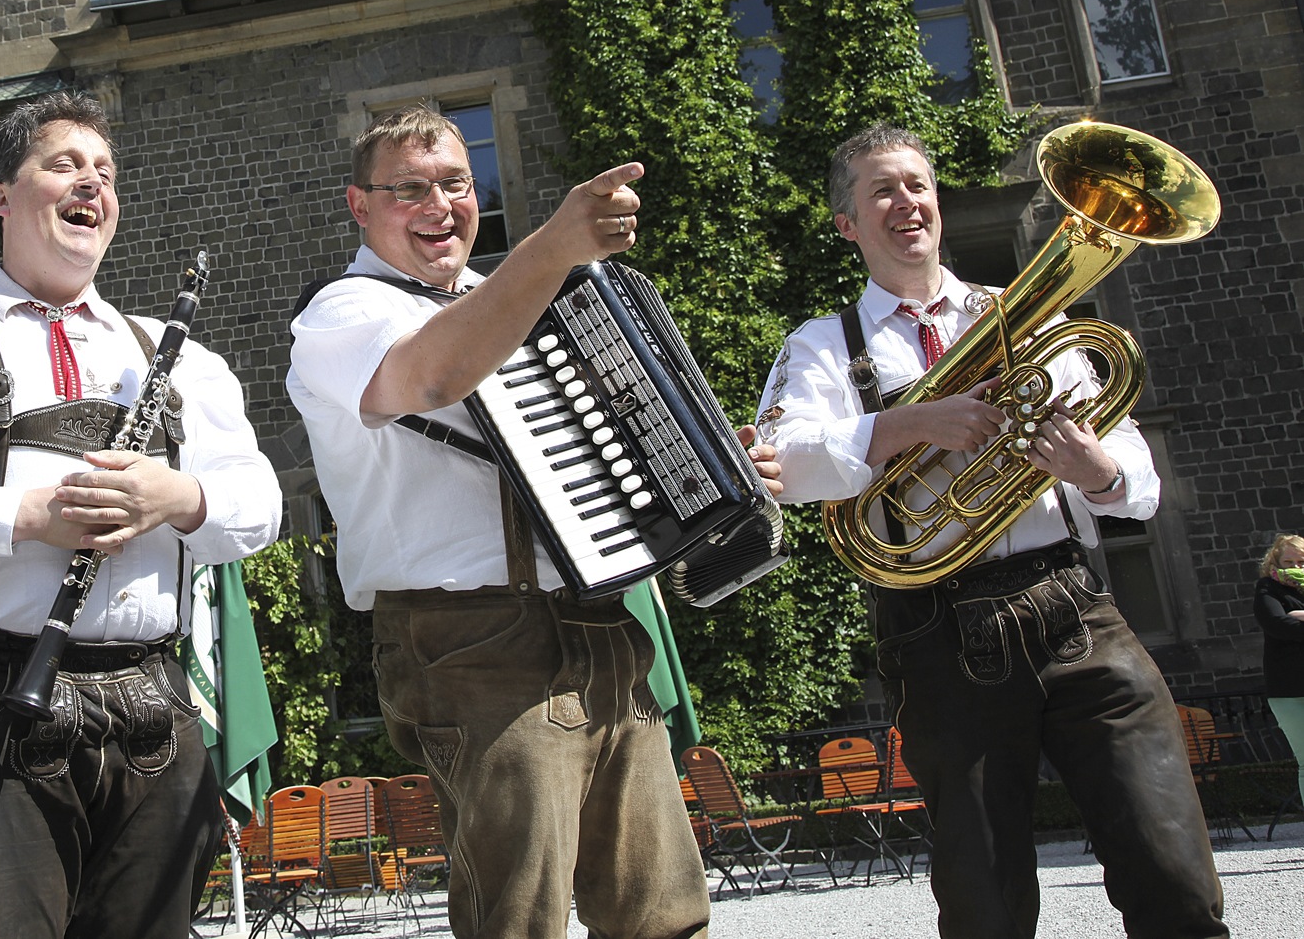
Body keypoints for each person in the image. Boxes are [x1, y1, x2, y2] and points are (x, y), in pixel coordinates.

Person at [287, 105, 766, 939]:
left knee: (663, 914)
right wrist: (551, 247)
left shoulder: (517, 295)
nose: (439, 205)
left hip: (601, 621)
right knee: (518, 918)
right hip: (470, 640)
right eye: (408, 189)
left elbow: (606, 445)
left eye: (455, 184)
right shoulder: (342, 310)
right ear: (359, 206)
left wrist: (713, 467)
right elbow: (431, 376)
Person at [0, 91, 282, 939]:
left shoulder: (179, 356)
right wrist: (25, 516)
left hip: (153, 704)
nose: (91, 183)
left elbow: (259, 507)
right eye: (64, 165)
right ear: (0, 195)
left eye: (104, 171)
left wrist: (175, 498)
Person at [758, 123, 1226, 939]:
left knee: (1173, 872)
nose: (906, 202)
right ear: (847, 224)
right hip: (940, 631)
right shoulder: (822, 345)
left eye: (916, 185)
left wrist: (1094, 470)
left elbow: (1135, 480)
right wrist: (910, 422)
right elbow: (783, 467)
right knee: (986, 905)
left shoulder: (1030, 316)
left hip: (1074, 608)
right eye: (881, 191)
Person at [1256, 533, 1304, 810]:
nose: (1296, 567)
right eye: (1289, 562)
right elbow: (1276, 624)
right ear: (1275, 562)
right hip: (1289, 689)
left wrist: (1297, 616)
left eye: (1301, 562)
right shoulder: (1268, 588)